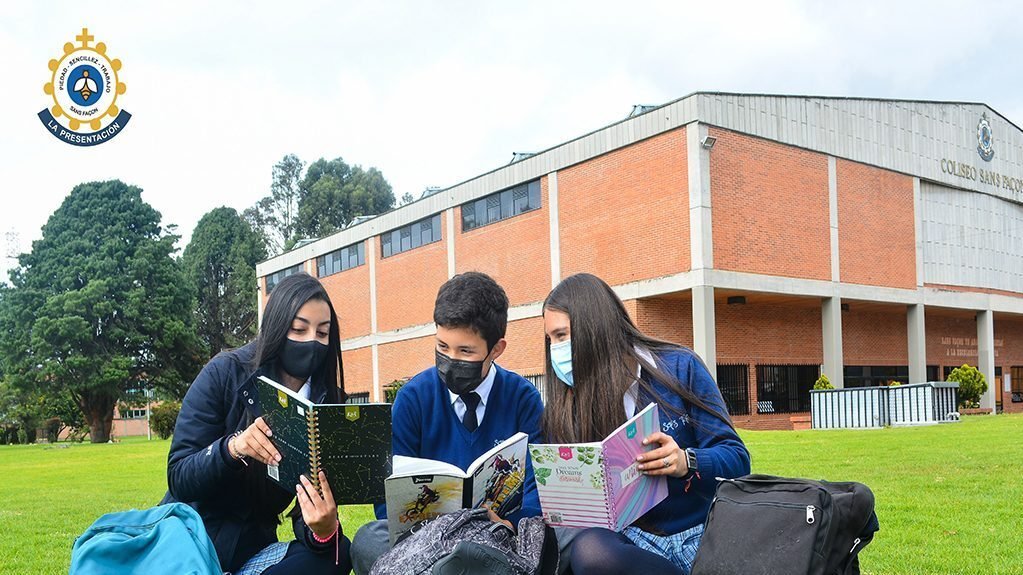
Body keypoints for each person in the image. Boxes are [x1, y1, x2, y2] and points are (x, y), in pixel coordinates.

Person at [541, 273, 751, 575]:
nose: (555, 350)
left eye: (561, 336)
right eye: (550, 339)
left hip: (703, 529)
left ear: (596, 328)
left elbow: (737, 459)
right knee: (588, 550)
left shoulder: (679, 367)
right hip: (631, 543)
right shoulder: (565, 408)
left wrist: (685, 461)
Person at [350, 272, 544, 574]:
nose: (451, 360)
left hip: (496, 539)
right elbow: (388, 501)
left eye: (465, 351)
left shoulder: (524, 399)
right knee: (367, 539)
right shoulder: (413, 398)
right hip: (423, 543)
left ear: (496, 349)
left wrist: (511, 525)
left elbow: (536, 489)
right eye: (442, 348)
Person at [162, 273, 352, 575]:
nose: (311, 341)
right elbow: (179, 475)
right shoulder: (225, 372)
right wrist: (232, 448)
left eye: (322, 333)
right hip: (192, 542)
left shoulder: (328, 404)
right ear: (277, 327)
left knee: (338, 556)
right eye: (299, 329)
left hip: (253, 550)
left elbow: (308, 507)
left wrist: (322, 530)